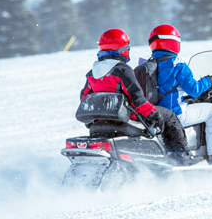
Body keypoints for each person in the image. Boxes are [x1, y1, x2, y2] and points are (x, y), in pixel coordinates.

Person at [80, 28, 190, 164]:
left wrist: (91, 120)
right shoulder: (122, 70)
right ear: (122, 49)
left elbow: (84, 98)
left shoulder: (92, 73)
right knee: (169, 115)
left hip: (102, 119)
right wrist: (152, 113)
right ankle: (180, 156)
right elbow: (136, 97)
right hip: (127, 115)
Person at [134, 24, 212, 165]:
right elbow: (194, 90)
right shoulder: (177, 65)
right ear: (173, 42)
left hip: (154, 115)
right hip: (176, 115)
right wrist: (211, 80)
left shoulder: (146, 66)